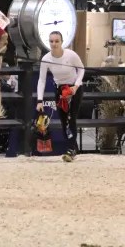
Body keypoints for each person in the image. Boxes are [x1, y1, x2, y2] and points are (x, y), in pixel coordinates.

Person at [35, 31, 84, 162]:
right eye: (51, 41)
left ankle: (70, 150)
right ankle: (73, 146)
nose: (54, 44)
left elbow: (81, 69)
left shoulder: (71, 55)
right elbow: (42, 80)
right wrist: (40, 100)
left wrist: (76, 86)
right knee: (64, 121)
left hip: (74, 89)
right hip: (60, 90)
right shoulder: (46, 59)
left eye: (57, 41)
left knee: (71, 118)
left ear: (62, 42)